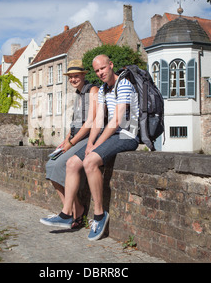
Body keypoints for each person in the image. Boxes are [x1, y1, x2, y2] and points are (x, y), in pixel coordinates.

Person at [40, 54, 139, 241]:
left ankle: (100, 215)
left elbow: (117, 120)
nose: (100, 73)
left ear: (111, 65)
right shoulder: (103, 89)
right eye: (97, 70)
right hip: (110, 134)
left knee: (91, 161)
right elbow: (99, 120)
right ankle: (66, 214)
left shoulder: (124, 84)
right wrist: (91, 142)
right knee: (71, 163)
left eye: (103, 68)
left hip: (126, 135)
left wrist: (96, 146)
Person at [40, 60, 98, 229]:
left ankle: (71, 214)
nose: (73, 79)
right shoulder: (79, 94)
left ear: (83, 75)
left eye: (76, 76)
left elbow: (90, 122)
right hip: (76, 137)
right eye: (70, 77)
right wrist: (65, 141)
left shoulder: (92, 90)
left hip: (87, 138)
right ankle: (76, 209)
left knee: (60, 165)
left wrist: (71, 142)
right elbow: (75, 123)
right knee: (50, 165)